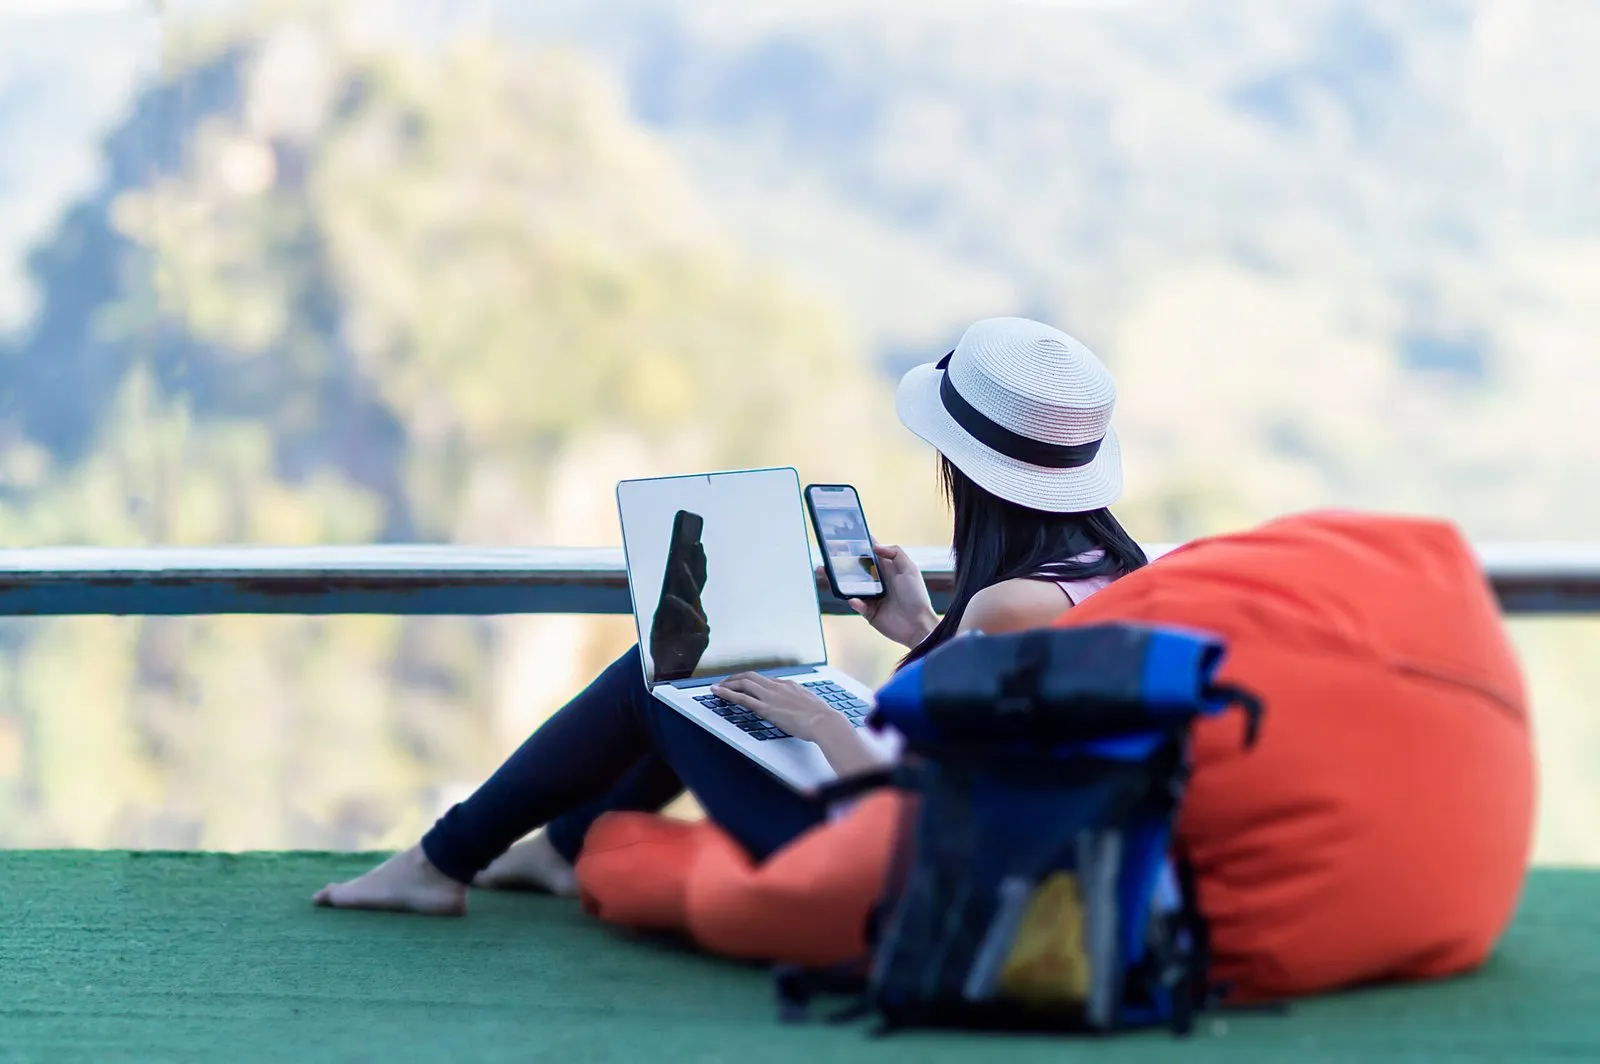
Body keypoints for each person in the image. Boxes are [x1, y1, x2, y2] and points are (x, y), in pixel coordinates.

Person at [313, 317, 1148, 916]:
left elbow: (931, 797)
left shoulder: (1007, 604)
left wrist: (822, 723)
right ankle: (557, 853)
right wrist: (920, 630)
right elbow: (991, 738)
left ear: (968, 471)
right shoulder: (1110, 573)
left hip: (902, 871)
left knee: (664, 676)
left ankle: (444, 861)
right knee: (711, 682)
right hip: (967, 843)